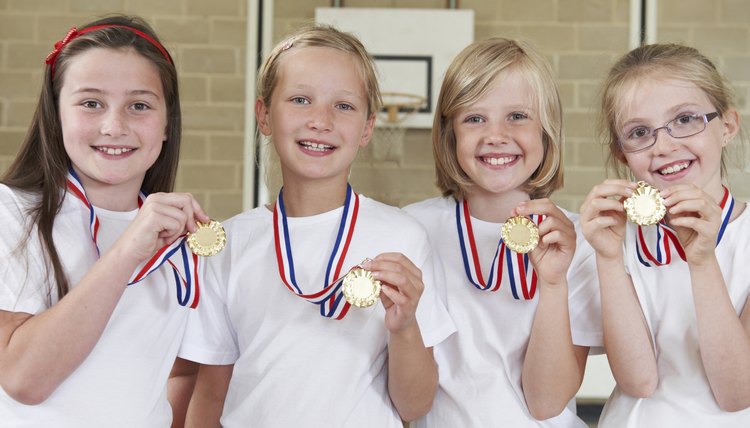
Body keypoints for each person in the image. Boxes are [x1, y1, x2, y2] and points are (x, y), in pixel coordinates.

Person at [178, 25, 455, 428]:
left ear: (366, 128)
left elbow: (415, 406)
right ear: (264, 115)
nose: (320, 120)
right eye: (300, 99)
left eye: (343, 106)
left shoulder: (402, 238)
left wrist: (406, 327)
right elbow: (211, 393)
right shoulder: (230, 243)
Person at [0, 15, 209, 427]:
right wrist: (129, 247)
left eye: (139, 105)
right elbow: (24, 380)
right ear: (55, 113)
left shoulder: (184, 238)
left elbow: (183, 373)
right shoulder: (10, 212)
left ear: (168, 124)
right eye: (91, 103)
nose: (114, 126)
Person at [404, 38, 602, 427]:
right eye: (474, 118)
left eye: (517, 116)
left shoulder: (578, 240)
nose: (496, 135)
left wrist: (554, 283)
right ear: (450, 133)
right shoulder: (412, 231)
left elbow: (546, 402)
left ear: (547, 131)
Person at [580, 43, 750, 427]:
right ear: (623, 155)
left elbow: (737, 391)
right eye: (639, 132)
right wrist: (608, 260)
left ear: (727, 127)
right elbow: (638, 381)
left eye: (686, 119)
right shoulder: (612, 238)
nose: (665, 145)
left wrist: (702, 261)